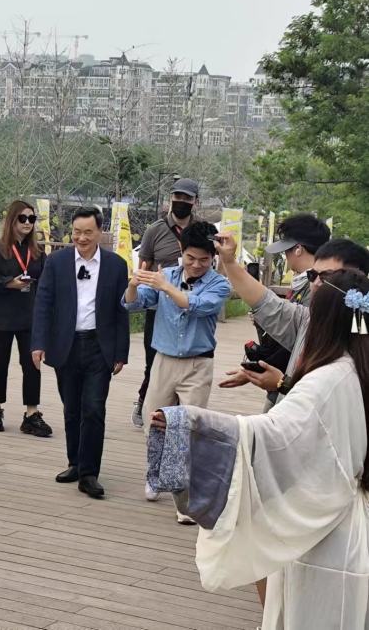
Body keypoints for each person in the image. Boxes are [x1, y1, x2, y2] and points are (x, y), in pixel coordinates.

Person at [151, 268, 369, 630]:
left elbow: (272, 436)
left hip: (323, 540)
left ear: (325, 318)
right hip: (352, 525)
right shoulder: (358, 369)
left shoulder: (325, 379)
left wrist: (190, 423)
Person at [124, 221, 230, 519]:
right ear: (181, 251)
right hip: (164, 360)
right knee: (153, 422)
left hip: (198, 364)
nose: (196, 265)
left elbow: (192, 305)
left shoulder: (219, 284)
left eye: (204, 260)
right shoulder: (166, 276)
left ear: (213, 258)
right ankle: (155, 475)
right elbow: (133, 304)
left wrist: (165, 287)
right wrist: (133, 284)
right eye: (190, 257)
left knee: (187, 430)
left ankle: (184, 501)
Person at [31, 207, 130, 499]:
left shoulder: (115, 265)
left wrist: (121, 352)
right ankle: (74, 462)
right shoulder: (57, 262)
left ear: (99, 233)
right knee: (71, 408)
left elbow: (121, 311)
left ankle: (89, 473)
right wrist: (38, 343)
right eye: (77, 232)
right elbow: (43, 303)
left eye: (88, 232)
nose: (82, 238)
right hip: (66, 345)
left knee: (94, 408)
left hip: (100, 346)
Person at [216, 235, 369, 405]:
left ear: (357, 279)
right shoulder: (306, 319)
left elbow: (339, 404)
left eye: (328, 277)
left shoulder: (360, 339)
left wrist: (283, 384)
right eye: (312, 275)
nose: (316, 283)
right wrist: (229, 261)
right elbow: (265, 301)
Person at [221, 214, 330, 410]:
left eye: (286, 250)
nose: (285, 257)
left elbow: (297, 344)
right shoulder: (307, 285)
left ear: (298, 249)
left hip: (295, 395)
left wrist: (278, 381)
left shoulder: (315, 290)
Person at [0, 200, 52, 436]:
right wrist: (9, 283)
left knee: (32, 364)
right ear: (12, 220)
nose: (28, 223)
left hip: (28, 315)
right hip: (1, 315)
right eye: (23, 218)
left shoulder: (37, 252)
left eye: (31, 218)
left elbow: (46, 281)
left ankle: (31, 413)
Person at [131, 177, 199, 427]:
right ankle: (144, 399)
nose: (181, 202)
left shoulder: (202, 229)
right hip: (159, 306)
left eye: (187, 198)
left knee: (186, 362)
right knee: (154, 360)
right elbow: (144, 265)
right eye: (177, 197)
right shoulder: (155, 230)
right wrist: (140, 287)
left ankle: (175, 411)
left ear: (195, 201)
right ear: (171, 198)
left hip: (190, 304)